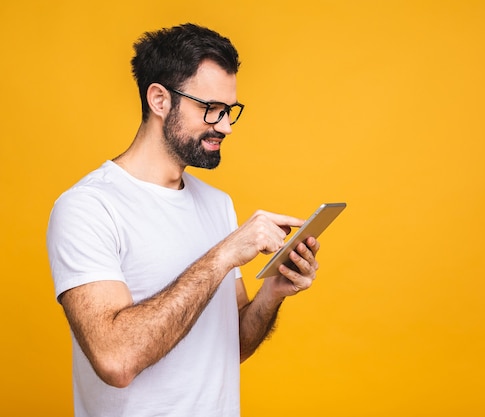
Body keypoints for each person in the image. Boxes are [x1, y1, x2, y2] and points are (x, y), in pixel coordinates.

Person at [46, 23, 320, 417]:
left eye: (229, 111)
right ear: (159, 99)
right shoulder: (88, 207)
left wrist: (273, 291)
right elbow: (116, 360)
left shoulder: (217, 204)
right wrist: (224, 254)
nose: (224, 126)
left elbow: (234, 344)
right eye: (210, 109)